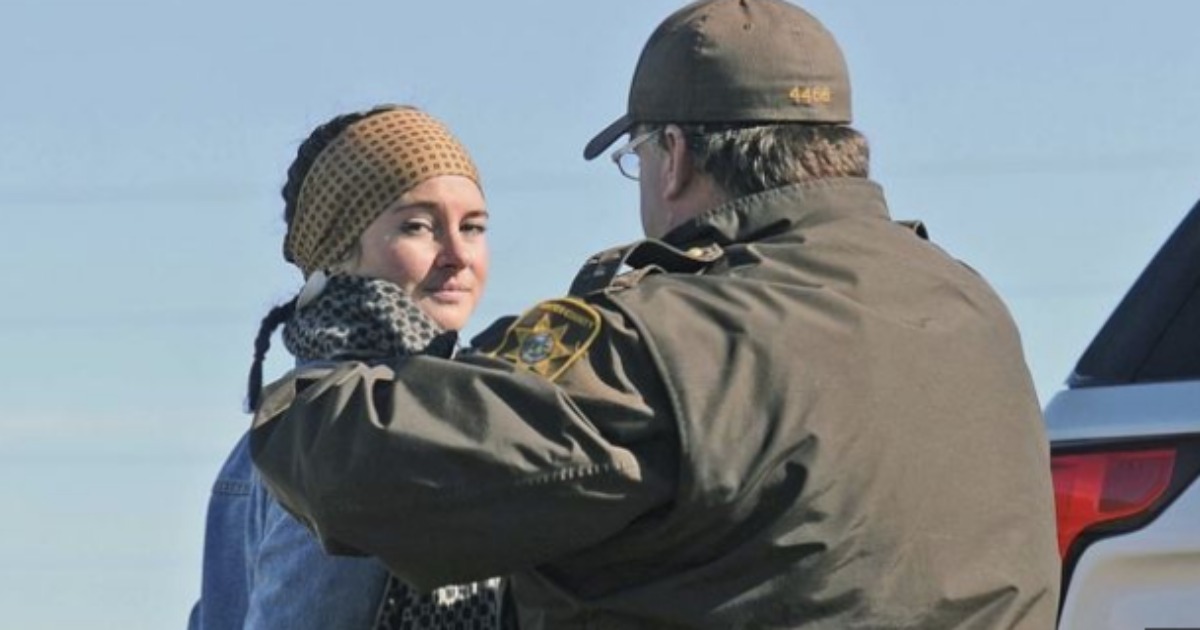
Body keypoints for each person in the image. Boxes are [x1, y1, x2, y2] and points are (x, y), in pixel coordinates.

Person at [250, 1, 1062, 627]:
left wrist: (330, 356)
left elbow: (357, 471)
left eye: (635, 157)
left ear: (672, 157)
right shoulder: (970, 308)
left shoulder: (677, 337)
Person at [188, 105, 510, 629]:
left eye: (473, 227)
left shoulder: (277, 435)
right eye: (418, 226)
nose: (457, 254)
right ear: (337, 250)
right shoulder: (354, 431)